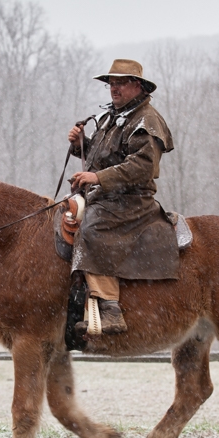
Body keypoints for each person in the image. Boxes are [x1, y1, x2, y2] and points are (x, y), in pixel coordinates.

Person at [67, 59, 178, 335]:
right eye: (111, 83)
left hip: (130, 202)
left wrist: (98, 178)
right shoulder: (112, 118)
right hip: (107, 195)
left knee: (92, 228)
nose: (113, 89)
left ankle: (110, 308)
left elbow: (143, 166)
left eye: (120, 83)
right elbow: (105, 158)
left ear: (137, 85)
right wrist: (81, 145)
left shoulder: (147, 120)